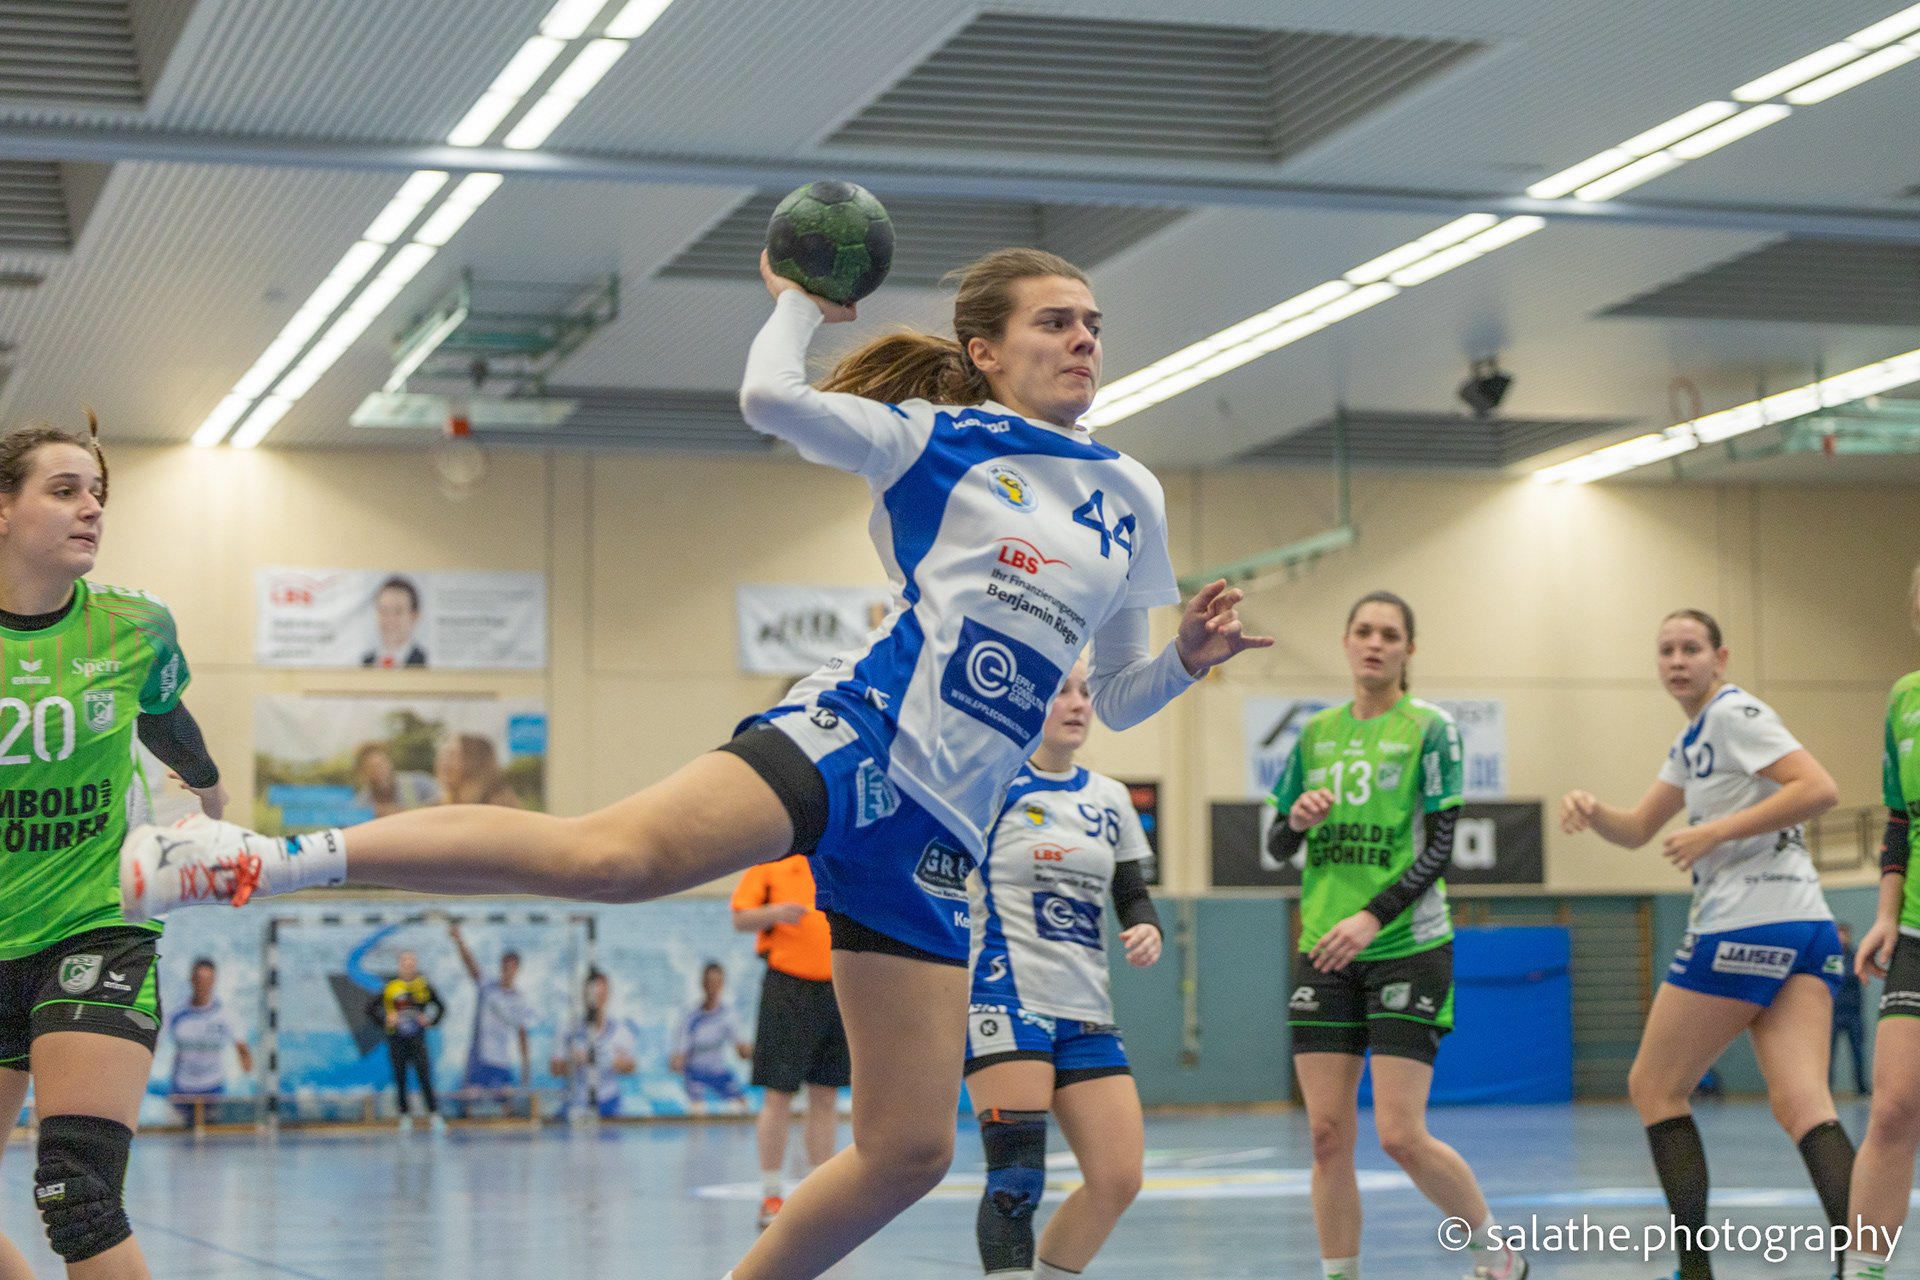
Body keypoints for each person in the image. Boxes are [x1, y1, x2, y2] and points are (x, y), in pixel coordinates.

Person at [121, 244, 1268, 1280]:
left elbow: (1118, 691)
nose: (1084, 339)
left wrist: (1189, 659)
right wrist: (796, 303)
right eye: (1056, 321)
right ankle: (256, 855)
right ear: (986, 350)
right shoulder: (938, 442)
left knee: (909, 1148)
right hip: (859, 737)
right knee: (611, 860)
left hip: (942, 832)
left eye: (1094, 324)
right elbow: (771, 398)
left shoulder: (1132, 493)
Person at [0, 418, 227, 1280]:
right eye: (64, 491)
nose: (92, 507)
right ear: (4, 510)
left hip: (95, 926)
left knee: (78, 1193)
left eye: (97, 492)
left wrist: (209, 790)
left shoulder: (135, 626)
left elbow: (165, 716)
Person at [1561, 608, 1848, 1280]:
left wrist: (1716, 832)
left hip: (1742, 924)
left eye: (1690, 648)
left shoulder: (1732, 715)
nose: (1676, 660)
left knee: (1654, 1087)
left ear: (1720, 658)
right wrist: (1593, 811)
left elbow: (1819, 788)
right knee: (1804, 1104)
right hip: (1807, 928)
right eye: (1666, 650)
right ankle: (1860, 1265)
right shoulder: (1694, 738)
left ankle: (1694, 1271)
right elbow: (1639, 828)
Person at [1266, 591, 1524, 1280]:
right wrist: (1296, 822)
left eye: (1389, 634)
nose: (1374, 643)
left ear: (1409, 649)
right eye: (1363, 631)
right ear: (1346, 642)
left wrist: (1372, 915)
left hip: (1406, 945)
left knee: (1399, 1135)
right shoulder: (1315, 735)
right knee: (1326, 1136)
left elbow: (1441, 848)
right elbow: (1277, 843)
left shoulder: (1430, 730)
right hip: (1325, 949)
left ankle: (1495, 1252)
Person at [964, 656, 1162, 1280]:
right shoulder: (990, 785)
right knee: (1016, 1181)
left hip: (1086, 1010)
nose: (1077, 704)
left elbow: (1132, 893)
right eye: (1060, 691)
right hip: (1005, 997)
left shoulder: (1110, 798)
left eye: (1085, 692)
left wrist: (1148, 927)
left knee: (1118, 1178)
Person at [1844, 563, 1920, 1280]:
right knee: (1893, 1109)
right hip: (1918, 933)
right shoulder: (1904, 698)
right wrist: (1885, 915)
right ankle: (1864, 1270)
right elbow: (1899, 821)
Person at [732, 853, 848, 1229]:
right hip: (788, 988)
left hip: (838, 987)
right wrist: (776, 912)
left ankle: (820, 1192)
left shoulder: (836, 859)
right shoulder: (771, 864)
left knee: (826, 1094)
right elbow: (740, 917)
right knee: (778, 1093)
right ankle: (771, 1192)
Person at [448, 920, 531, 1094]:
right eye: (505, 967)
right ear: (501, 967)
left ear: (517, 970)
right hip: (479, 1058)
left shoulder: (519, 999)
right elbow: (470, 964)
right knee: (470, 1097)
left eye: (512, 968)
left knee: (507, 1099)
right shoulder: (488, 986)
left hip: (500, 1059)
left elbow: (522, 1033)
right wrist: (458, 939)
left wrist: (525, 1067)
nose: (508, 971)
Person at [166, 957, 253, 1124]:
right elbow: (154, 1047)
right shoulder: (176, 1016)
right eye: (199, 980)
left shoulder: (226, 1015)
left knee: (212, 1139)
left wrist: (249, 1083)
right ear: (192, 980)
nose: (203, 986)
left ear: (214, 982)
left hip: (213, 1092)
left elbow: (243, 1051)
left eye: (208, 980)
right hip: (181, 1093)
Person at [367, 949, 445, 1132]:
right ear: (399, 966)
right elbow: (370, 1009)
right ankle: (404, 1117)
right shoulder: (391, 987)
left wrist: (430, 1020)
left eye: (411, 964)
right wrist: (385, 1019)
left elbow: (441, 1007)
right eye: (405, 963)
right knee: (400, 1078)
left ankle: (434, 1116)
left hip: (417, 1039)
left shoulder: (423, 985)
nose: (408, 967)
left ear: (415, 966)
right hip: (397, 1040)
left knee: (424, 1077)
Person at [552, 969, 637, 1119]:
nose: (596, 1001)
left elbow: (631, 1066)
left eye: (600, 995)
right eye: (592, 996)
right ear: (584, 996)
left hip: (609, 1103)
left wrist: (615, 1063)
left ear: (607, 995)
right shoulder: (568, 1029)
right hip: (577, 1102)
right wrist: (573, 1062)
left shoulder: (621, 1030)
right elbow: (555, 1069)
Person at [671, 962, 752, 1112]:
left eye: (717, 983)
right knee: (697, 1110)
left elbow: (740, 1049)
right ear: (703, 985)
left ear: (722, 985)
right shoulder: (690, 1016)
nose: (713, 988)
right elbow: (679, 1056)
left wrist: (754, 1053)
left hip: (719, 1072)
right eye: (709, 983)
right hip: (696, 1074)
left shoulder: (729, 1014)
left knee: (743, 1106)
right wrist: (676, 1063)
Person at [352, 742, 439, 817]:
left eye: (381, 763)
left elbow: (441, 803)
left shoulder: (419, 782)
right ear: (364, 772)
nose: (378, 770)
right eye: (371, 767)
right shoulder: (362, 802)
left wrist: (401, 811)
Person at [1831, 921, 1868, 1097]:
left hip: (1853, 1014)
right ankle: (1826, 1090)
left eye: (1844, 935)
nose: (1841, 938)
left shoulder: (1856, 957)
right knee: (1829, 1056)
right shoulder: (1832, 959)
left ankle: (1862, 1089)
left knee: (1858, 1054)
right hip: (1834, 1014)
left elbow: (1860, 979)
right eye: (1838, 934)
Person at [435, 734, 521, 808]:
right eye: (443, 754)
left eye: (452, 755)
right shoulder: (437, 807)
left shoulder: (499, 809)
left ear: (475, 762)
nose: (443, 761)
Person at [361, 575, 427, 667]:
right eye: (384, 610)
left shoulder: (425, 662)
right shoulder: (366, 662)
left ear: (415, 616)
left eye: (398, 611)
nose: (390, 618)